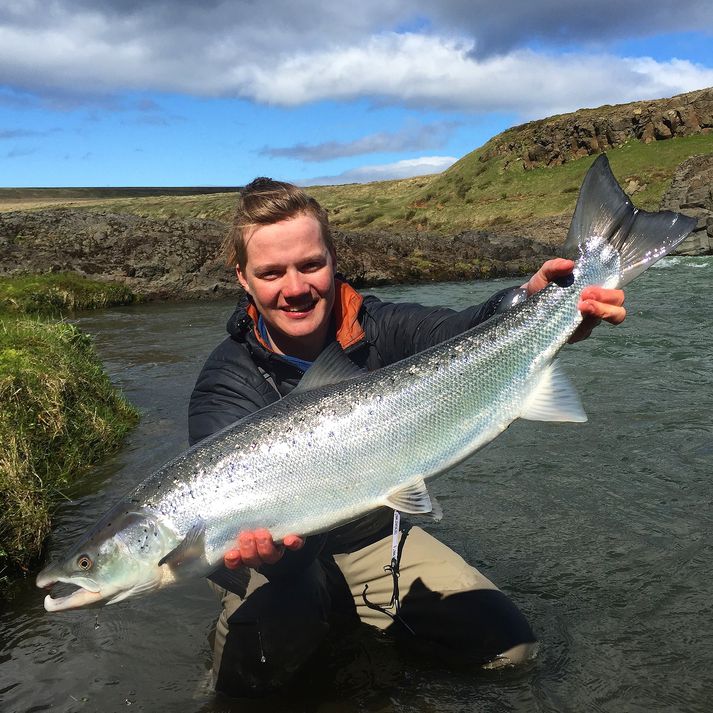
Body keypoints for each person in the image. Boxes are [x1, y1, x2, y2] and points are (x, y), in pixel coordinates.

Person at [188, 178, 625, 697]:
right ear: (243, 277)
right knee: (250, 689)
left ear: (333, 258)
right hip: (276, 568)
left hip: (373, 540)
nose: (296, 287)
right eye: (271, 272)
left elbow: (463, 330)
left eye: (310, 264)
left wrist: (529, 303)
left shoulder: (378, 324)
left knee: (511, 651)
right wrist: (264, 553)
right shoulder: (226, 380)